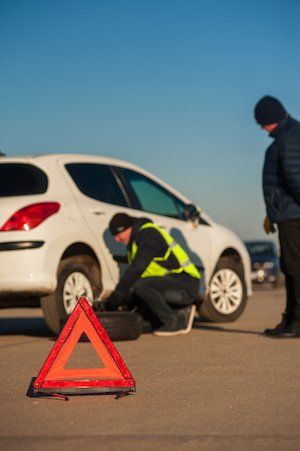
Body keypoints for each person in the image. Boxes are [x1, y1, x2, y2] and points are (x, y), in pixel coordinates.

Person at [104, 213, 201, 336]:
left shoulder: (148, 235)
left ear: (128, 228)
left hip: (185, 284)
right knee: (137, 298)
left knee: (141, 286)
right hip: (168, 283)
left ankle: (173, 322)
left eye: (118, 235)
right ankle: (172, 313)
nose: (116, 240)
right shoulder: (133, 244)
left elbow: (137, 268)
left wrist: (117, 294)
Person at [254, 95, 300, 338]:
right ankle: (290, 318)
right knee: (290, 268)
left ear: (274, 117)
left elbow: (294, 176)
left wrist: (280, 210)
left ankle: (298, 322)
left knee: (295, 269)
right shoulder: (285, 137)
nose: (262, 127)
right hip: (287, 214)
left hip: (294, 216)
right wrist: (272, 213)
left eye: (263, 122)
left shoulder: (290, 137)